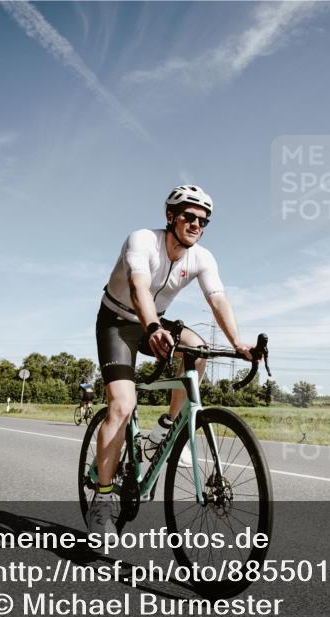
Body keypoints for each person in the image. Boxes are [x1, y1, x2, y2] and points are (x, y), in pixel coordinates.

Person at [89, 185, 253, 542]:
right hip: (117, 322)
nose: (196, 225)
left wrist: (238, 343)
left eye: (203, 221)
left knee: (197, 348)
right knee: (122, 406)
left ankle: (166, 426)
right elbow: (138, 287)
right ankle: (101, 501)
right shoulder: (142, 240)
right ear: (170, 216)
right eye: (189, 217)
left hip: (155, 321)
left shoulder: (202, 258)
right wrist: (151, 328)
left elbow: (218, 300)